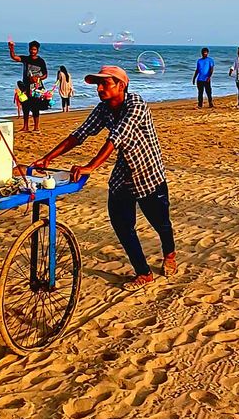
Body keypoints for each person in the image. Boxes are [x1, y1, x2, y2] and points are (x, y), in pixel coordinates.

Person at [32, 65, 177, 291]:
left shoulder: (136, 105)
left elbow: (116, 137)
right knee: (122, 225)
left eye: (105, 84)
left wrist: (91, 166)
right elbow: (80, 134)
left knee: (161, 223)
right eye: (98, 84)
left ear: (121, 85)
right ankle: (143, 272)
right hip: (123, 174)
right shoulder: (103, 109)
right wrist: (47, 158)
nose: (100, 88)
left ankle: (169, 254)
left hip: (149, 174)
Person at [8, 40, 48, 133]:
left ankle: (36, 127)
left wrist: (38, 78)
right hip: (25, 87)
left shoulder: (41, 61)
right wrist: (11, 48)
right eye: (31, 49)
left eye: (34, 49)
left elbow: (45, 75)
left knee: (35, 107)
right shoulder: (26, 59)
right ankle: (25, 127)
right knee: (25, 106)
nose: (32, 51)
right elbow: (14, 57)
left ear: (37, 50)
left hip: (37, 88)